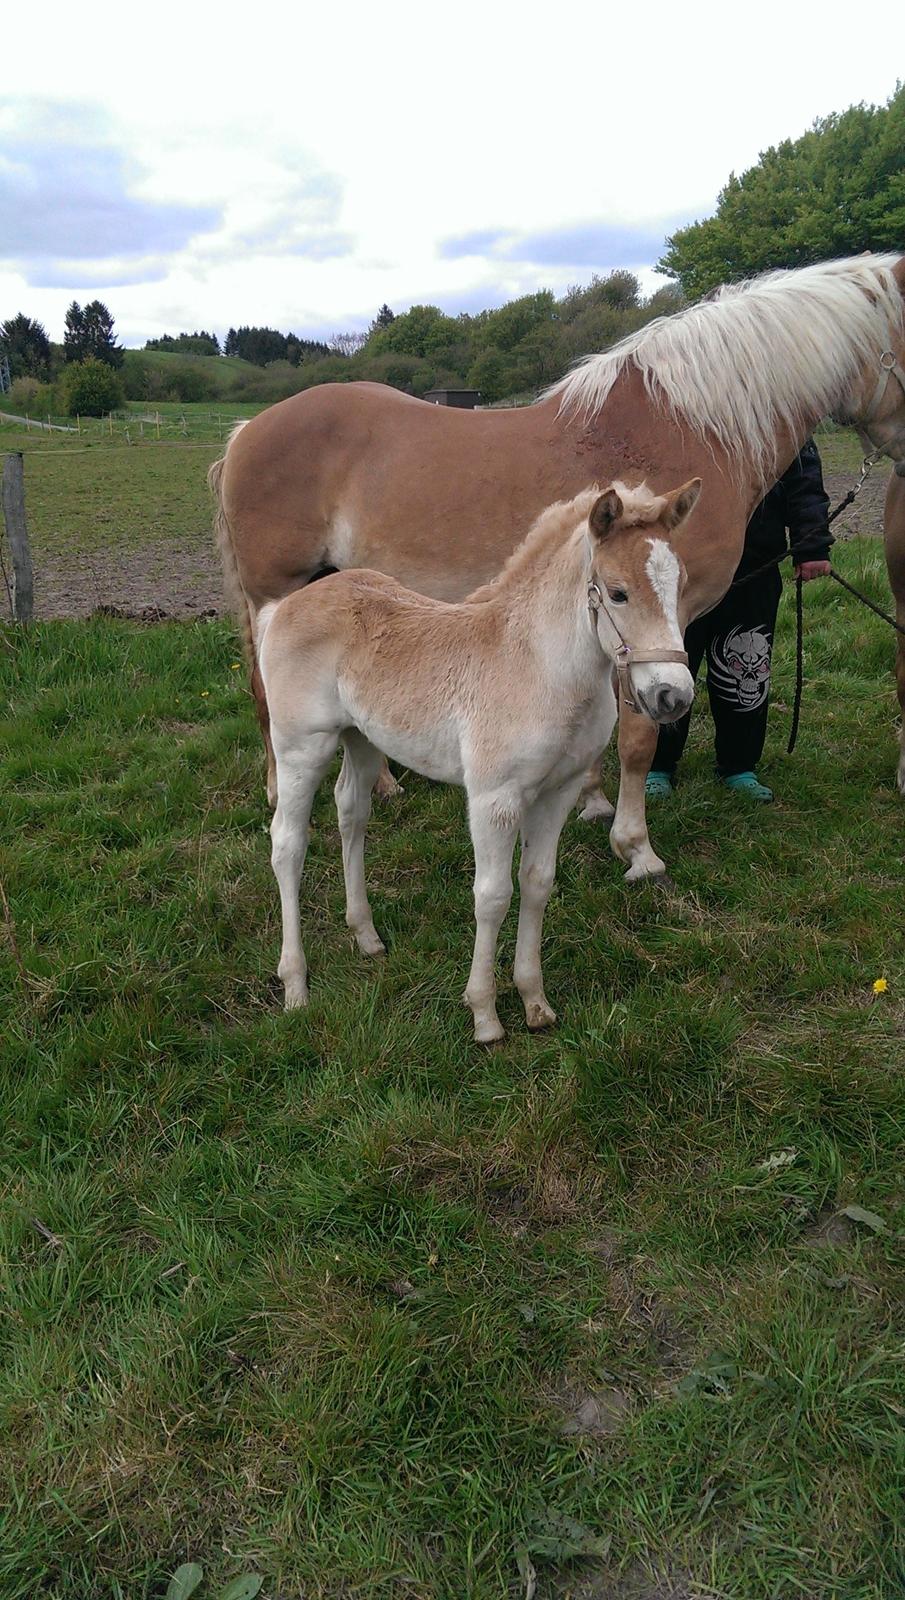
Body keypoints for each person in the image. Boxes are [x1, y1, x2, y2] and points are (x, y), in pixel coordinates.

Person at [646, 439, 832, 801]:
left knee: (746, 667)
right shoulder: (674, 411)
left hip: (753, 565)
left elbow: (803, 476)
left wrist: (811, 544)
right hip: (679, 570)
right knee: (668, 666)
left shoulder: (779, 418)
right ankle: (657, 763)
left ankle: (738, 764)